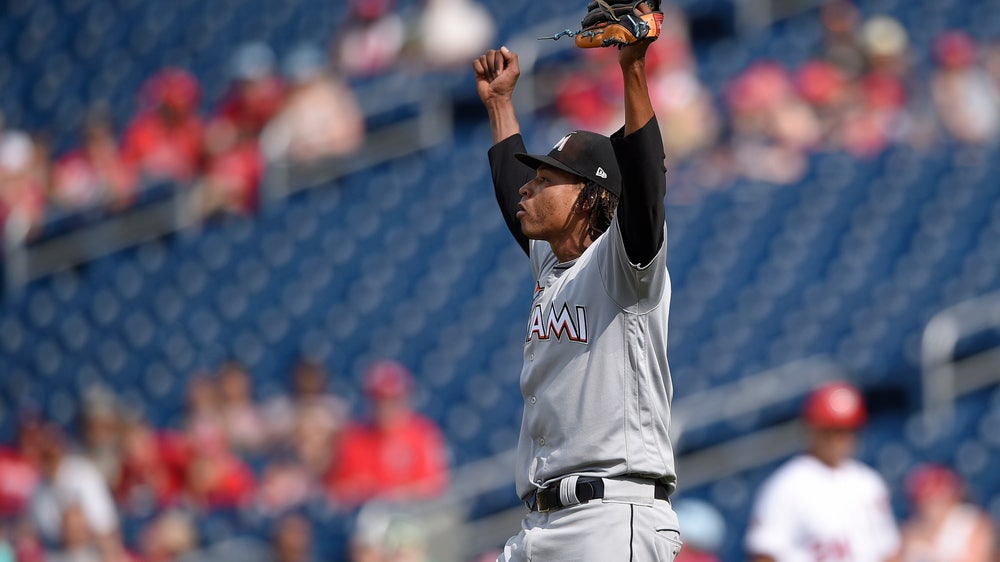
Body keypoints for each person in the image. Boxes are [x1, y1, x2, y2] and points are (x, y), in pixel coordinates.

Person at [473, 2, 682, 558]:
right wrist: (500, 105)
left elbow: (644, 178)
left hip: (611, 519)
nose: (528, 188)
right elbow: (508, 179)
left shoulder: (625, 266)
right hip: (541, 523)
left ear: (589, 195)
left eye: (546, 180)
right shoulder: (553, 263)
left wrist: (632, 68)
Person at [744, 381, 901, 562]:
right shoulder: (786, 486)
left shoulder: (869, 482)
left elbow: (890, 552)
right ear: (812, 429)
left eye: (846, 430)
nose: (838, 440)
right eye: (831, 430)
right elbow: (764, 554)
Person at [325, 360, 449, 507]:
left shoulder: (422, 433)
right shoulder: (353, 438)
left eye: (392, 399)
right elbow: (337, 492)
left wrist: (390, 495)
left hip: (414, 516)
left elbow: (433, 488)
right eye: (379, 400)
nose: (385, 407)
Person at [899, 463, 997, 562]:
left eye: (939, 496)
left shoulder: (972, 522)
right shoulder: (910, 532)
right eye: (928, 498)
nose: (934, 504)